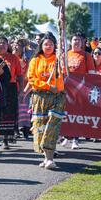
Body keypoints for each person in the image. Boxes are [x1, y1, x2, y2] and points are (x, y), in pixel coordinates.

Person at [27, 32, 65, 170]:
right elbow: (32, 79)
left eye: (51, 44)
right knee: (40, 127)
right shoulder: (35, 60)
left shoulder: (59, 59)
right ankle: (46, 157)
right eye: (45, 44)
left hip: (57, 97)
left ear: (55, 45)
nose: (48, 46)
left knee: (52, 126)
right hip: (40, 97)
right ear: (41, 46)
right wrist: (48, 86)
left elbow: (63, 75)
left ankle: (50, 158)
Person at [64, 33, 95, 149]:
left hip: (80, 90)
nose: (76, 42)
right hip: (67, 89)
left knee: (77, 115)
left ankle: (76, 139)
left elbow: (91, 74)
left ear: (82, 43)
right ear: (70, 42)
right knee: (67, 114)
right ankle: (67, 137)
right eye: (74, 40)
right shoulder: (65, 55)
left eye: (78, 40)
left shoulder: (86, 56)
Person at [0, 36, 23, 150]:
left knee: (8, 114)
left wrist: (21, 91)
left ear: (8, 46)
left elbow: (20, 75)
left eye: (3, 43)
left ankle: (5, 140)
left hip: (10, 88)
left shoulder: (13, 58)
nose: (1, 45)